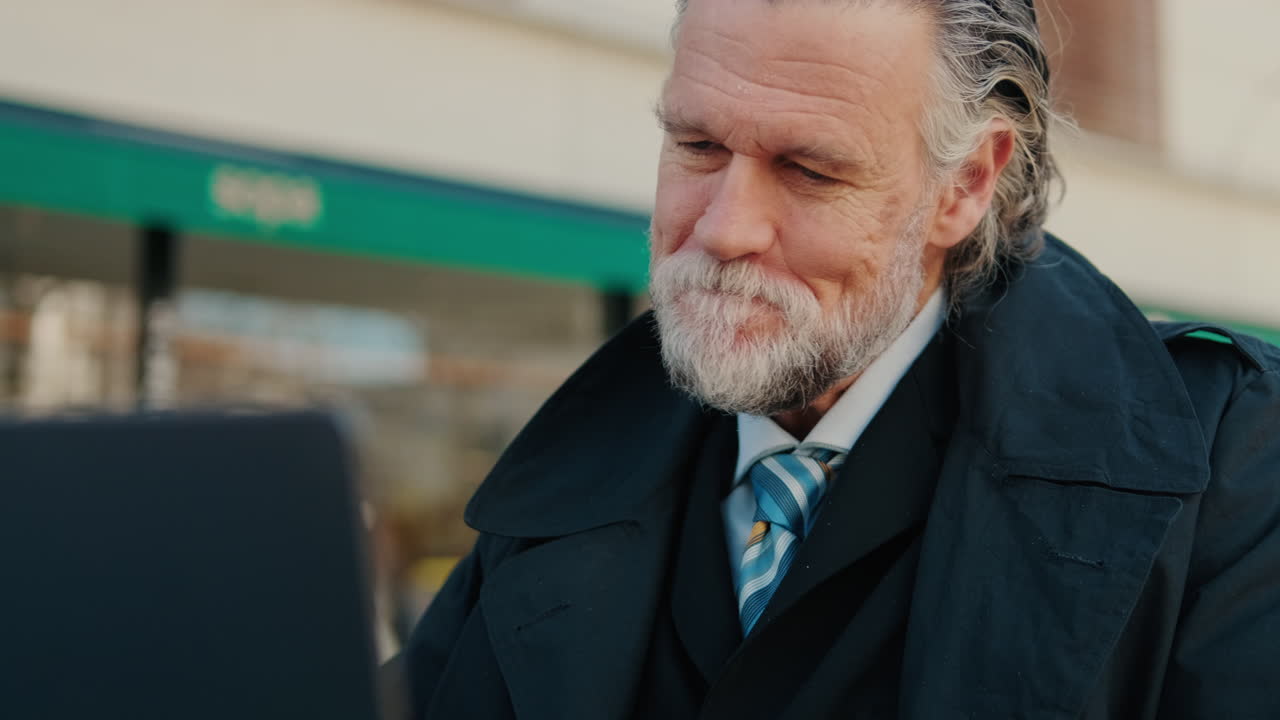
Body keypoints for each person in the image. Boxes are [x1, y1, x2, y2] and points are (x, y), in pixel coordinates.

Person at [396, 0, 1280, 717]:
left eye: (810, 171)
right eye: (697, 146)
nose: (723, 228)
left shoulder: (1226, 469)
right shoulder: (564, 475)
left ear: (966, 186)